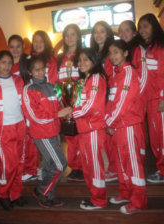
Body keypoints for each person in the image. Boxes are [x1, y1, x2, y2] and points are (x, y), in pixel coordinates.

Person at [22, 55, 70, 208]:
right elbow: (35, 116)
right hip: (43, 134)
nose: (40, 72)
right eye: (36, 70)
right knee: (60, 165)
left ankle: (44, 192)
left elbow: (60, 105)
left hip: (54, 132)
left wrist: (67, 109)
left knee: (50, 166)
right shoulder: (29, 89)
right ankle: (42, 192)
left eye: (42, 68)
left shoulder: (51, 86)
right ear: (30, 72)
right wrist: (57, 114)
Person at [0, 51, 27, 210]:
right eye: (3, 63)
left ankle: (15, 194)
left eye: (9, 63)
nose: (6, 66)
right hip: (4, 129)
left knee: (20, 163)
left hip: (20, 126)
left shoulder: (18, 79)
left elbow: (24, 103)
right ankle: (2, 193)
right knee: (9, 165)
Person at [107, 40, 147, 214]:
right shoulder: (117, 74)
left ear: (125, 53)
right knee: (122, 164)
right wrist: (110, 122)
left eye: (116, 52)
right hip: (118, 127)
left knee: (133, 165)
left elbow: (124, 103)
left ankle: (138, 201)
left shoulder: (129, 73)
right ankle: (125, 193)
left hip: (129, 126)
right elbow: (112, 102)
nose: (112, 56)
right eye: (110, 53)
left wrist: (109, 121)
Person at [73, 48, 107, 210]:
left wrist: (71, 113)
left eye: (86, 59)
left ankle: (99, 199)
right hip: (85, 128)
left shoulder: (95, 78)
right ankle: (95, 195)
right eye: (79, 60)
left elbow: (92, 106)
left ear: (94, 61)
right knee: (88, 165)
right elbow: (80, 102)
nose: (81, 63)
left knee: (94, 165)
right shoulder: (86, 80)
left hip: (93, 128)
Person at [8, 34, 39, 182]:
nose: (15, 49)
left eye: (18, 46)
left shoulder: (28, 63)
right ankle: (25, 166)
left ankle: (32, 169)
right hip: (12, 107)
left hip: (27, 105)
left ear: (22, 47)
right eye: (12, 46)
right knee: (19, 139)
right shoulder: (6, 63)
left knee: (29, 138)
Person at [138, 14, 164, 183]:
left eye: (146, 26)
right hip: (150, 101)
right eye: (140, 28)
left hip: (160, 101)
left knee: (162, 137)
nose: (142, 30)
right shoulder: (148, 48)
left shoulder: (161, 48)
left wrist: (163, 97)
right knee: (155, 138)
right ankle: (161, 169)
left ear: (154, 26)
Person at [90, 21, 117, 182]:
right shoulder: (94, 52)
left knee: (110, 133)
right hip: (98, 98)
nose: (98, 35)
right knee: (103, 134)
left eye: (102, 31)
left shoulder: (111, 51)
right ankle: (109, 166)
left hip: (108, 97)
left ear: (108, 34)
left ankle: (114, 168)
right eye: (96, 32)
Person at [118, 20, 148, 163]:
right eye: (121, 30)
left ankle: (138, 163)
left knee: (138, 133)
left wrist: (135, 100)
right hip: (127, 101)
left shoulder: (138, 49)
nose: (123, 33)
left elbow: (143, 77)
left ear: (134, 33)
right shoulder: (125, 51)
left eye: (127, 30)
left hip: (136, 101)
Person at [57, 24, 83, 181]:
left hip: (78, 102)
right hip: (63, 103)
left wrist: (77, 103)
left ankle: (82, 167)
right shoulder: (59, 58)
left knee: (80, 136)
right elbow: (56, 81)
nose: (70, 38)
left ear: (78, 37)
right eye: (67, 34)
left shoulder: (82, 55)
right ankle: (74, 166)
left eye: (73, 34)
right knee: (70, 136)